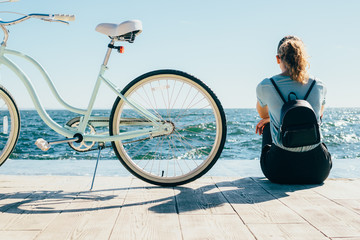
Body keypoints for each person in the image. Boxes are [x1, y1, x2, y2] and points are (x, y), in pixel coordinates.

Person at [255, 35, 332, 184]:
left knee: (267, 124)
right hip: (318, 171)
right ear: (303, 57)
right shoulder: (319, 85)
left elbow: (263, 114)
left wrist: (272, 118)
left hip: (278, 171)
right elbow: (319, 115)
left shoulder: (266, 85)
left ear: (278, 59)